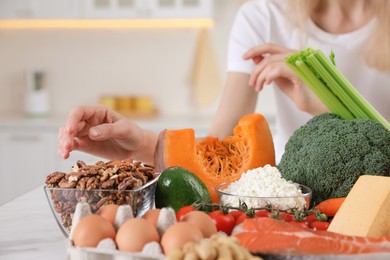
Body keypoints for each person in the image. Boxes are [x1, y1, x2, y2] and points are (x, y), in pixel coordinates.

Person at [58, 0, 390, 164]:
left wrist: (321, 103)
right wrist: (143, 145)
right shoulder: (263, 16)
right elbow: (221, 144)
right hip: (300, 204)